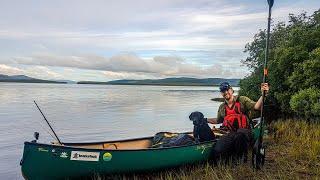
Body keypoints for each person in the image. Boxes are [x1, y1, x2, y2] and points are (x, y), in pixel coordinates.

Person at [207, 82, 269, 165]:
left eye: (227, 90)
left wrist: (263, 95)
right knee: (218, 150)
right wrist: (205, 119)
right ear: (221, 93)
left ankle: (242, 158)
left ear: (232, 90)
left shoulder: (242, 100)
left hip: (244, 132)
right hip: (229, 133)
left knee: (240, 134)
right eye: (223, 91)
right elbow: (218, 120)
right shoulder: (222, 106)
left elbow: (257, 106)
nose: (225, 92)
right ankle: (228, 156)